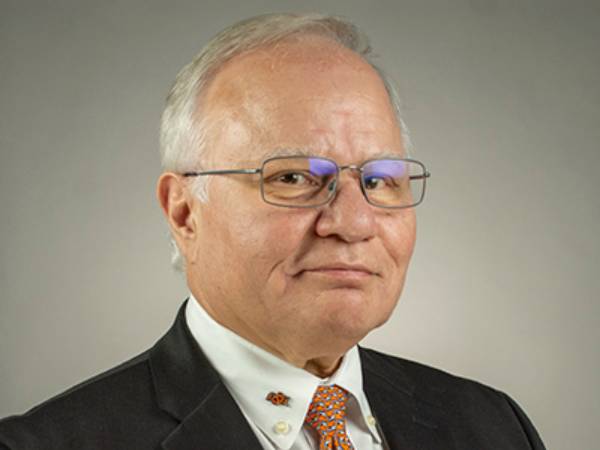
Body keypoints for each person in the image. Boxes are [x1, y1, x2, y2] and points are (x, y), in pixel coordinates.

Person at [0, 13, 545, 450]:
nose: (354, 223)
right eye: (294, 178)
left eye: (380, 181)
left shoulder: (493, 426)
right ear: (184, 211)